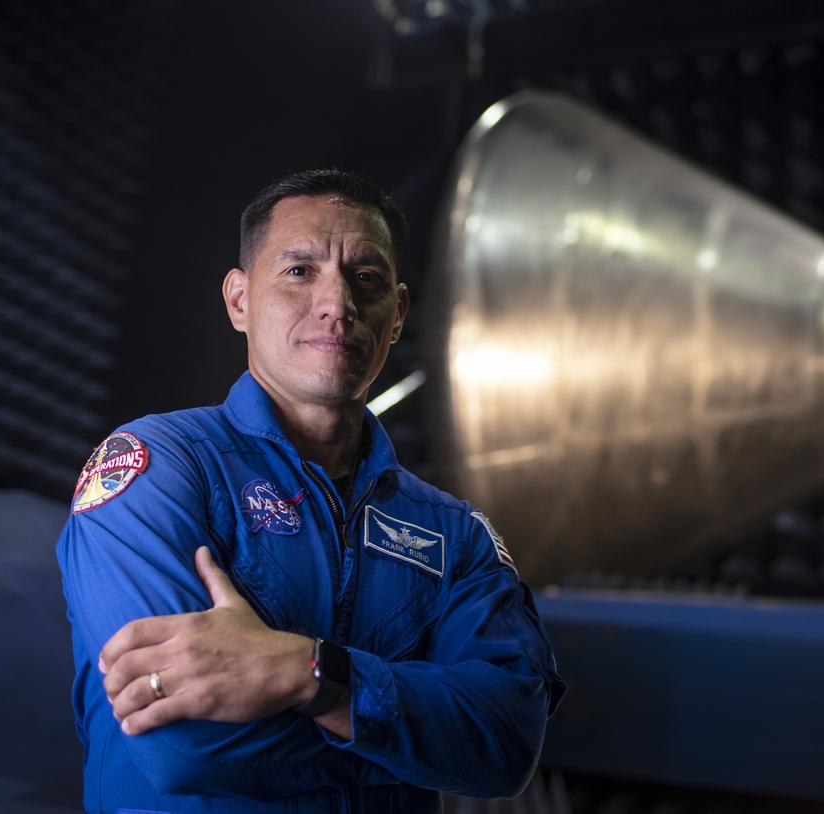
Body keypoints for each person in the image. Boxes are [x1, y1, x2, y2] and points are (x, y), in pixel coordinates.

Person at [55, 168, 565, 813]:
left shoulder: (452, 532)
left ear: (399, 314)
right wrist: (405, 744)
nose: (337, 304)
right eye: (299, 272)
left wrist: (311, 675)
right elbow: (183, 744)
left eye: (367, 279)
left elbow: (507, 745)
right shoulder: (158, 468)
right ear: (239, 300)